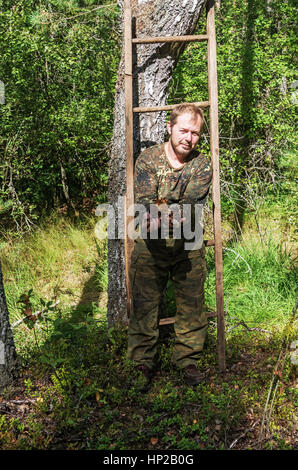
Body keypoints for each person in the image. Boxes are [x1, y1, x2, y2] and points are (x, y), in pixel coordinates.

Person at [126, 104, 212, 387]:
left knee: (193, 306)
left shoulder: (201, 164)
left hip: (188, 245)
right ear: (170, 127)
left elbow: (191, 210)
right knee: (144, 308)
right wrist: (164, 213)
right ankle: (141, 365)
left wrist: (163, 213)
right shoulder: (149, 159)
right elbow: (145, 207)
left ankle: (187, 362)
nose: (189, 138)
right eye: (184, 130)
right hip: (150, 247)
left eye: (195, 133)